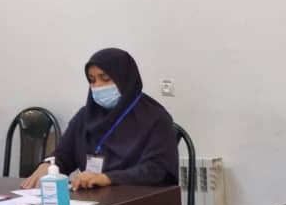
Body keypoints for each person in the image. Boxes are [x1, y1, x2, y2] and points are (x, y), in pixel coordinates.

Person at [22, 48, 179, 190]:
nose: (98, 86)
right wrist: (48, 165)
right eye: (92, 80)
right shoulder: (85, 116)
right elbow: (64, 154)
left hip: (138, 201)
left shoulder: (155, 118)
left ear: (124, 78)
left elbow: (158, 170)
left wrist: (108, 178)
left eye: (105, 78)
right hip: (92, 201)